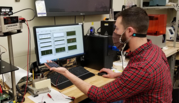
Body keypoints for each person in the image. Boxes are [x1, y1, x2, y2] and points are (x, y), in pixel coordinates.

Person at [45, 7, 172, 103]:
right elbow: (143, 77)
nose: (114, 33)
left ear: (129, 31)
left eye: (116, 28)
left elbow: (100, 95)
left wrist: (66, 73)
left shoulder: (142, 67)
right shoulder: (154, 50)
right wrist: (118, 75)